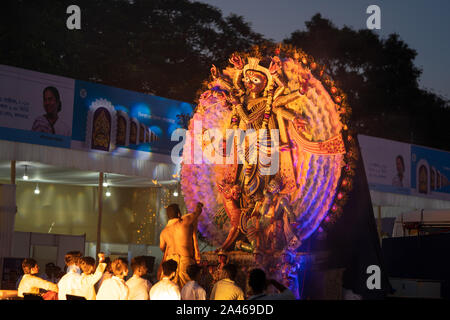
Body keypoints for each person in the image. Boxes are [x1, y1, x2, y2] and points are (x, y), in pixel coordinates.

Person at [159, 202, 203, 288]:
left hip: (170, 263)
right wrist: (199, 205)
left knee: (171, 289)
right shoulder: (185, 221)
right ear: (179, 214)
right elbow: (198, 212)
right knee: (187, 291)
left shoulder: (164, 232)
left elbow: (162, 248)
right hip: (185, 261)